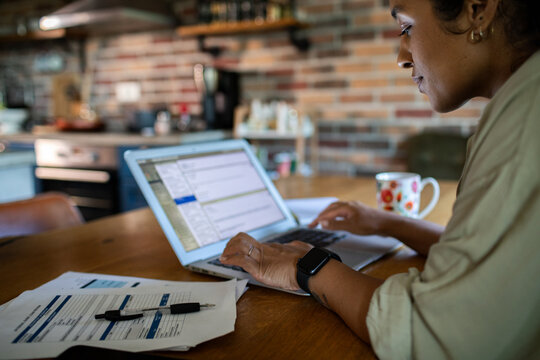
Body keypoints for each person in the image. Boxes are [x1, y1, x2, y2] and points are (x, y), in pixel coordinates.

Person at [220, 0, 540, 358]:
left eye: (406, 27)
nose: (402, 57)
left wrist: (306, 266)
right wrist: (389, 223)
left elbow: (429, 330)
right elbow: (489, 260)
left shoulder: (525, 118)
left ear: (477, 10)